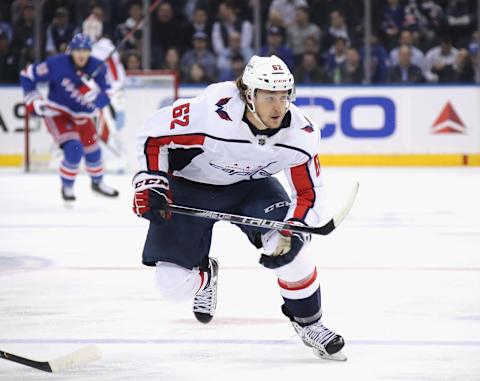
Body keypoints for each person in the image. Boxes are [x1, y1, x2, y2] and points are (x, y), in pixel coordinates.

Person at [132, 55, 346, 361]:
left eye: (284, 96)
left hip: (251, 189)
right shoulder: (209, 112)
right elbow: (153, 137)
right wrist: (151, 183)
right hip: (190, 186)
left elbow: (308, 193)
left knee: (289, 253)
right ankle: (205, 274)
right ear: (249, 94)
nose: (278, 106)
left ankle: (311, 324)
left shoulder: (301, 134)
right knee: (172, 287)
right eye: (269, 96)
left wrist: (293, 233)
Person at [20, 33, 119, 201]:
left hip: (82, 116)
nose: (81, 54)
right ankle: (67, 186)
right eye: (77, 50)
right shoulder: (56, 64)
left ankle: (97, 182)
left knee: (93, 150)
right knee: (74, 149)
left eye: (85, 50)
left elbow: (108, 92)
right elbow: (27, 74)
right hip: (58, 113)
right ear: (71, 51)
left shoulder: (98, 67)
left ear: (90, 51)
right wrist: (33, 100)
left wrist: (96, 99)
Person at [83, 14, 128, 172]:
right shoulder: (76, 46)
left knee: (108, 127)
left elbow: (118, 76)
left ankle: (117, 159)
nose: (91, 30)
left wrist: (110, 91)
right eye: (88, 27)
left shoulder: (106, 47)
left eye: (94, 27)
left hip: (104, 95)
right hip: (83, 95)